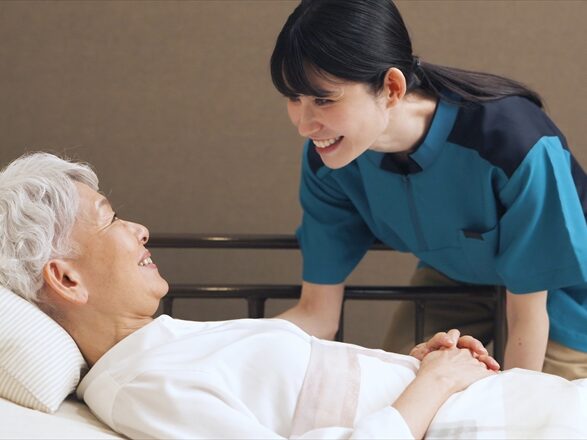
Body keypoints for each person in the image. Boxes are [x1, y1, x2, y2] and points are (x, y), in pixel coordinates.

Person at [1, 152, 586, 439]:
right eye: (110, 219)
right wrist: (431, 387)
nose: (140, 229)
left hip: (503, 406)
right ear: (67, 279)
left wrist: (415, 365)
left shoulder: (162, 346)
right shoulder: (142, 386)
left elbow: (310, 399)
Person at [269, 0, 587, 380]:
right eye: (294, 98)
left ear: (391, 88)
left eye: (323, 99)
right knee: (396, 384)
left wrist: (515, 402)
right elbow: (317, 314)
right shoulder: (330, 162)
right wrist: (216, 347)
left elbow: (527, 317)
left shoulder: (514, 144)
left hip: (563, 293)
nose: (304, 125)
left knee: (545, 404)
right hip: (455, 280)